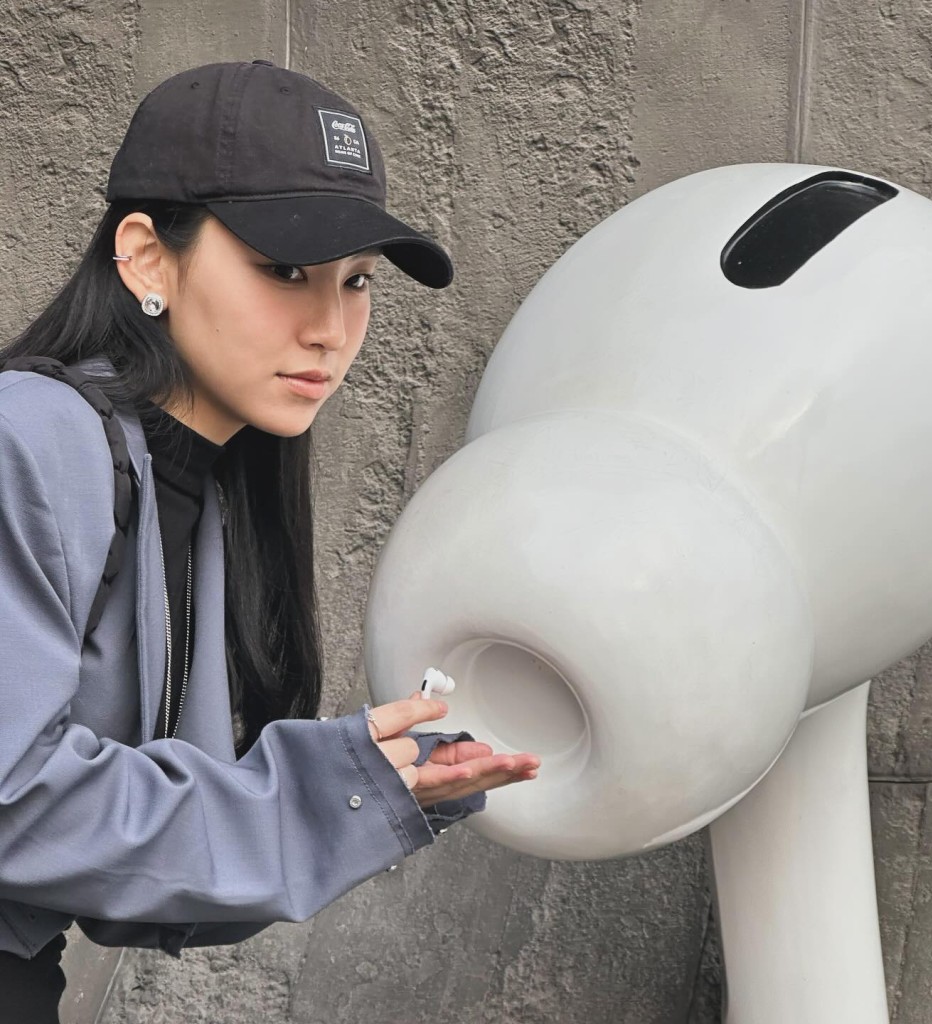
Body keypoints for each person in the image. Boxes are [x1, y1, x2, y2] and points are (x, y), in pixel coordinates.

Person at [0, 60, 540, 1022]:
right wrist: (312, 794)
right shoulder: (27, 439)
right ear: (146, 258)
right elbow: (12, 803)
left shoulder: (200, 496)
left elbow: (138, 891)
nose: (331, 328)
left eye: (356, 281)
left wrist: (384, 791)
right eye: (285, 270)